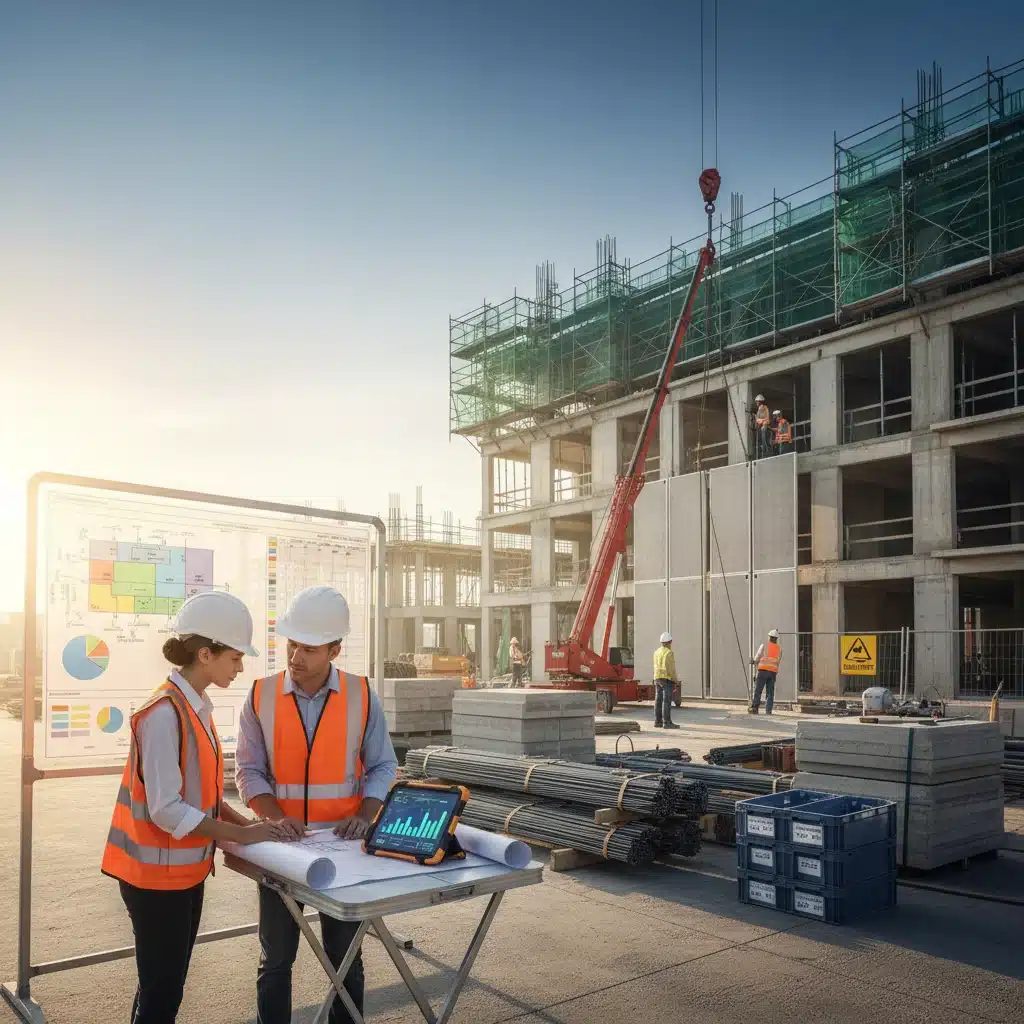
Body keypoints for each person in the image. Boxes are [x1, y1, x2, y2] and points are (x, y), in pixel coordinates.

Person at [102, 591, 290, 1024]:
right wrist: (241, 836)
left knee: (164, 987)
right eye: (235, 657)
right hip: (154, 882)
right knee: (162, 993)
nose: (241, 667)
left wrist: (252, 825)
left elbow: (202, 796)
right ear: (206, 653)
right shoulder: (164, 713)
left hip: (182, 876)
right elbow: (167, 810)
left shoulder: (195, 707)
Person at [235, 585, 399, 1024]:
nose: (296, 656)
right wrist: (275, 817)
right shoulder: (259, 695)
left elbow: (384, 765)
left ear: (335, 649)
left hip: (344, 856)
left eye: (308, 648)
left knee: (345, 962)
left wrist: (366, 813)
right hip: (280, 850)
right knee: (275, 961)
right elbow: (248, 771)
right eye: (291, 644)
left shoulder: (362, 696)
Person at [750, 628, 782, 715]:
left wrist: (753, 661)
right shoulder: (779, 649)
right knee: (770, 692)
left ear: (769, 637)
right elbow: (778, 661)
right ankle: (768, 711)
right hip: (772, 673)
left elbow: (758, 656)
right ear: (776, 639)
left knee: (758, 690)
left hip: (763, 671)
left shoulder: (764, 646)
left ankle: (755, 708)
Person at [652, 631, 680, 729]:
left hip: (657, 678)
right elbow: (671, 669)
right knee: (666, 701)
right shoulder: (669, 653)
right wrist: (675, 680)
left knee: (658, 700)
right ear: (670, 642)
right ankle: (667, 722)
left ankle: (657, 721)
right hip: (666, 679)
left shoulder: (656, 652)